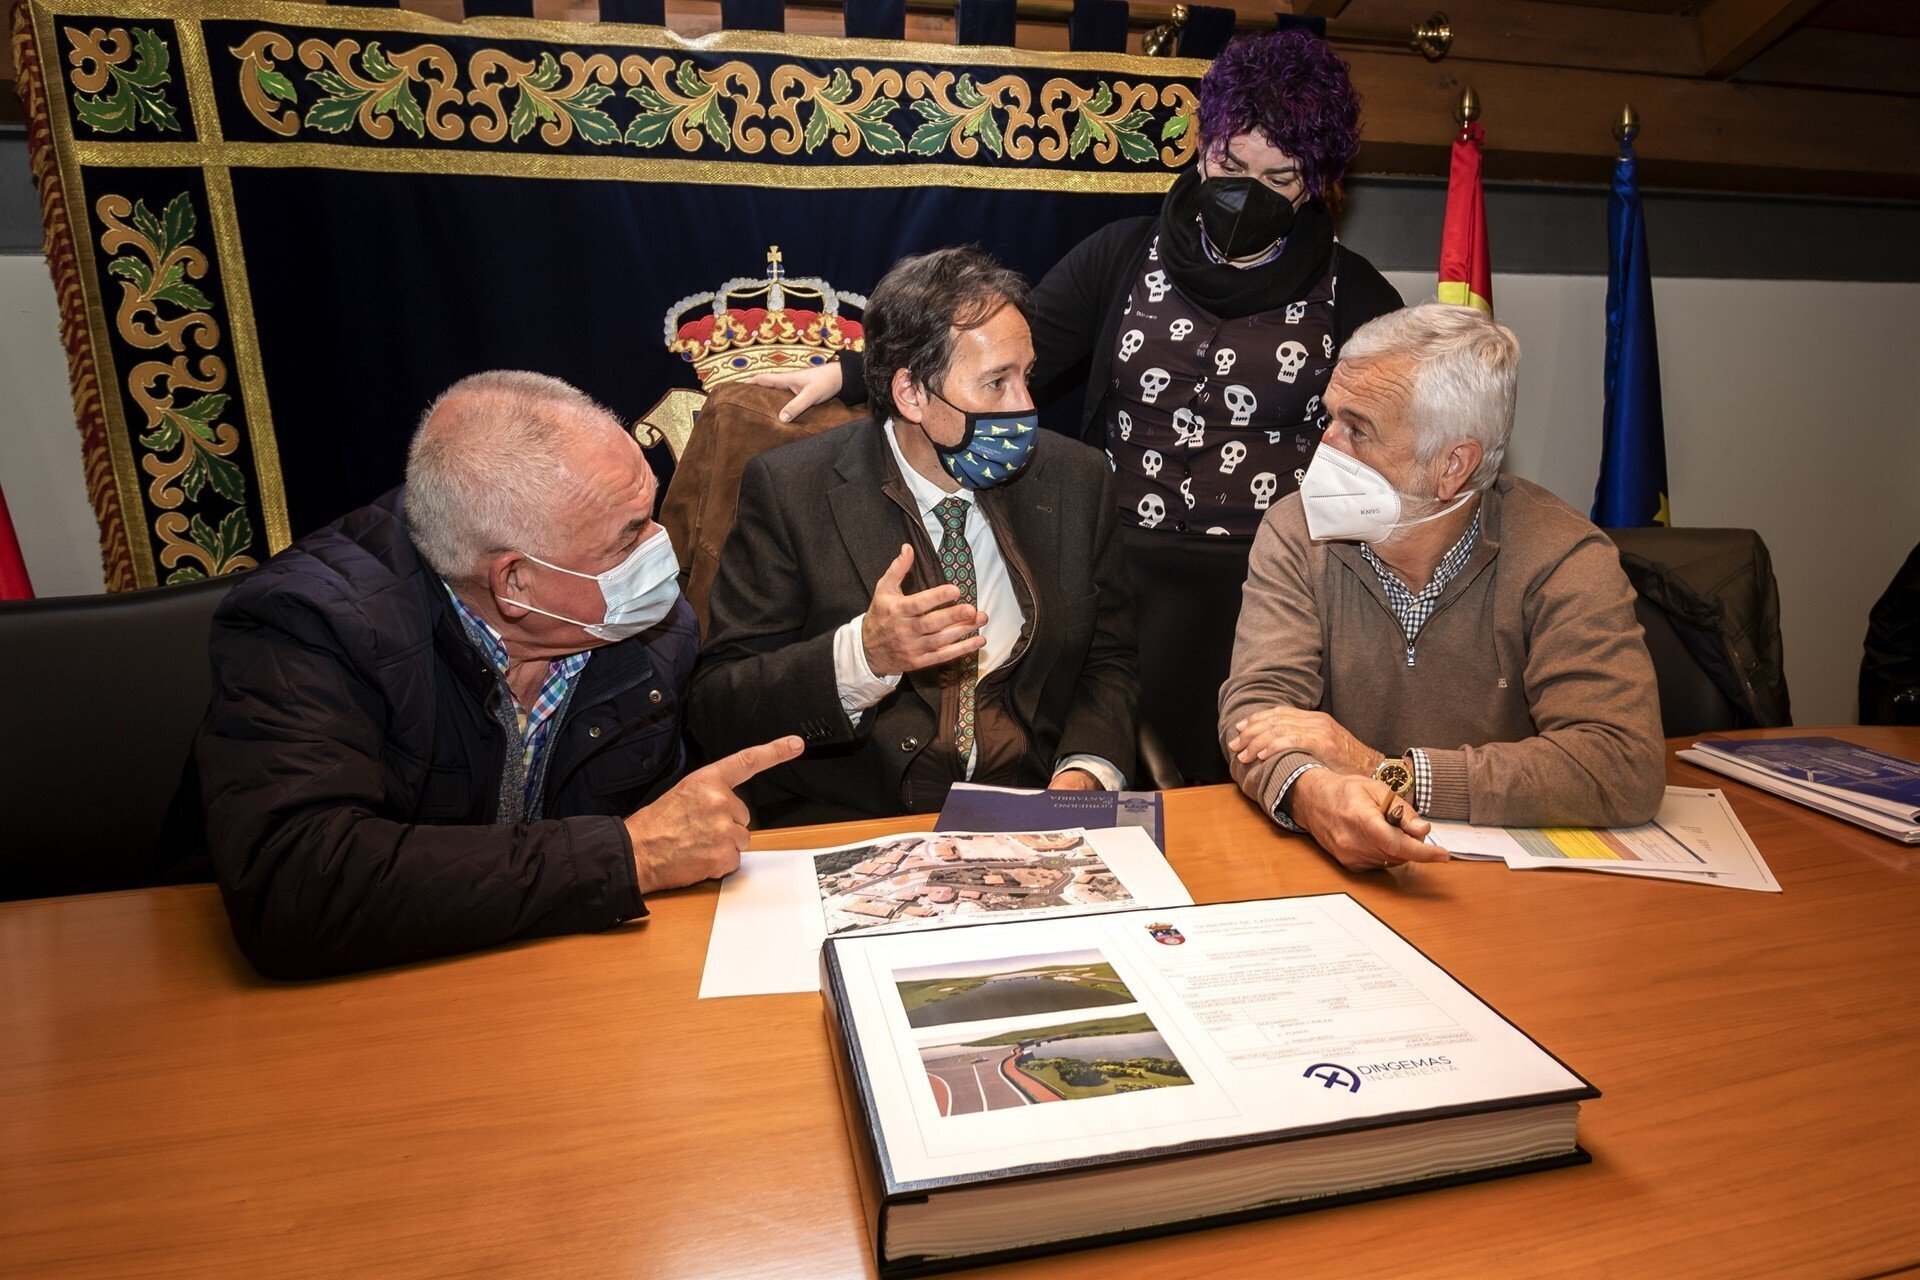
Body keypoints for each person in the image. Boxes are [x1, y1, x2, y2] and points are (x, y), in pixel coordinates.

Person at [756, 30, 1403, 784]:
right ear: (1203, 149)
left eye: (1278, 176)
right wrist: (853, 373)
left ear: (1317, 182)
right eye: (1230, 165)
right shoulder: (1124, 254)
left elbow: (1390, 436)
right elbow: (993, 348)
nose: (1246, 191)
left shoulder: (1352, 292)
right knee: (1117, 759)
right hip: (1123, 571)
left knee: (1250, 775)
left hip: (1268, 584)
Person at [171, 371, 801, 978]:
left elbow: (651, 845)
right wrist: (624, 857)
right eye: (627, 538)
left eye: (650, 513)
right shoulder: (310, 624)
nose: (661, 549)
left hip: (541, 971)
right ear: (515, 583)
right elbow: (296, 887)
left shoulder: (652, 631)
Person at [687, 248, 1136, 824]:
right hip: (856, 822)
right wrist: (863, 656)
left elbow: (1108, 661)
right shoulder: (792, 490)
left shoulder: (1078, 478)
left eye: (1027, 376)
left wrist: (1085, 773)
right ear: (912, 394)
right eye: (996, 383)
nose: (1025, 407)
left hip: (1030, 814)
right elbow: (718, 706)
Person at [1219, 304, 1666, 872]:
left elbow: (1623, 763)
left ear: (1453, 465)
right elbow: (1257, 717)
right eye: (1329, 419)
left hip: (1507, 881)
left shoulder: (1562, 555)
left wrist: (1384, 771)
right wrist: (1312, 794)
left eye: (1358, 430)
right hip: (1335, 871)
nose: (1326, 447)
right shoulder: (1296, 529)